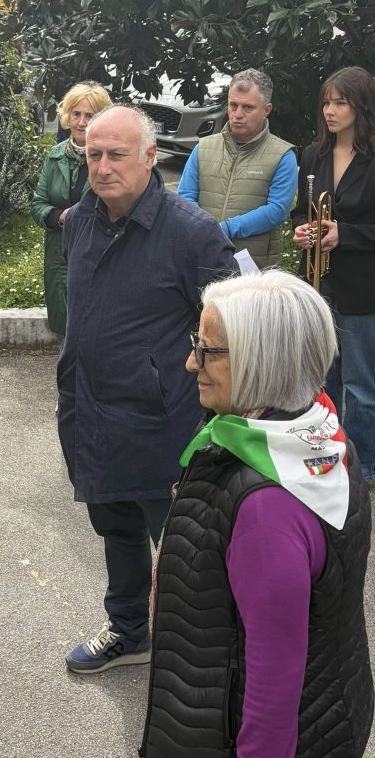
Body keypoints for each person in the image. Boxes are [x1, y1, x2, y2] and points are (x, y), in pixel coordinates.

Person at [141, 270, 373, 758]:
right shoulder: (322, 436)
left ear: (261, 361)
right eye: (195, 344)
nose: (191, 362)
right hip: (333, 708)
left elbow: (273, 695)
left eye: (209, 350)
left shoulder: (266, 512)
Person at [59, 104, 238, 673]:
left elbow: (233, 329)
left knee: (188, 548)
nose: (103, 167)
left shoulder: (193, 233)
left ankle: (211, 652)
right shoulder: (79, 221)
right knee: (117, 529)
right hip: (91, 413)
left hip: (165, 424)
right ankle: (129, 630)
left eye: (116, 155)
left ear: (149, 156)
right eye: (93, 155)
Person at [292, 66, 375, 480]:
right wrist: (301, 230)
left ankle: (363, 467)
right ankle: (326, 455)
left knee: (361, 386)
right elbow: (301, 211)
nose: (330, 110)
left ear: (361, 107)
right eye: (326, 102)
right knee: (321, 378)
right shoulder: (314, 154)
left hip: (362, 289)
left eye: (340, 102)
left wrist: (347, 234)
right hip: (318, 283)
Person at [177, 68, 297, 268]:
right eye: (233, 105)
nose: (237, 114)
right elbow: (184, 197)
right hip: (201, 255)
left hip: (254, 266)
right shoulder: (204, 147)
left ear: (266, 110)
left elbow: (277, 210)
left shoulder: (283, 155)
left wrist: (225, 228)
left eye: (248, 107)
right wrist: (204, 229)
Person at [30, 81, 112, 335]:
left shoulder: (110, 158)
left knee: (97, 322)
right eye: (76, 114)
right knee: (64, 323)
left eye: (90, 115)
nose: (81, 122)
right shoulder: (55, 155)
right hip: (59, 250)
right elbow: (38, 204)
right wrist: (59, 216)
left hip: (98, 249)